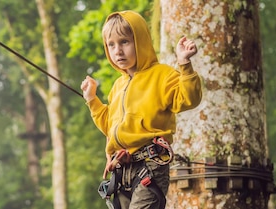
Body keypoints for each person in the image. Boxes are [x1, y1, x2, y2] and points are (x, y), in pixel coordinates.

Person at [81, 10, 202, 209]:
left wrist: (184, 64)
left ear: (141, 41)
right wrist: (92, 100)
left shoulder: (162, 75)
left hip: (150, 166)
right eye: (111, 45)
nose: (117, 51)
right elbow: (111, 128)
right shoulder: (118, 86)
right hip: (122, 171)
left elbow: (189, 99)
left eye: (124, 42)